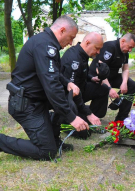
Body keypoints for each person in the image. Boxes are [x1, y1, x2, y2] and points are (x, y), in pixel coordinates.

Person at [0, 15, 90, 161]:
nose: (71, 42)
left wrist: (67, 82)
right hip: (25, 105)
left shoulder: (48, 43)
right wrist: (72, 118)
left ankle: (53, 140)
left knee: (67, 101)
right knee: (47, 152)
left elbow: (53, 73)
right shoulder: (44, 45)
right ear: (62, 30)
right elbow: (51, 85)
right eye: (70, 37)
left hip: (37, 101)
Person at [60, 32, 110, 139]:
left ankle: (94, 118)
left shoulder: (83, 54)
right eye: (97, 48)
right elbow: (72, 93)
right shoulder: (74, 59)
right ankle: (60, 119)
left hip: (81, 90)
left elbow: (82, 73)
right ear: (87, 43)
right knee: (84, 134)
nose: (98, 52)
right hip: (68, 99)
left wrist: (91, 78)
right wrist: (88, 113)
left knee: (103, 88)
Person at [89, 33, 135, 121]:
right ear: (122, 41)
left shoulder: (124, 52)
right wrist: (109, 88)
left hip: (112, 77)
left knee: (131, 84)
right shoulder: (109, 47)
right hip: (97, 78)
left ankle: (122, 118)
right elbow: (100, 70)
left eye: (132, 48)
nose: (130, 50)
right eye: (129, 47)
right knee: (100, 113)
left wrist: (124, 83)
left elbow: (125, 69)